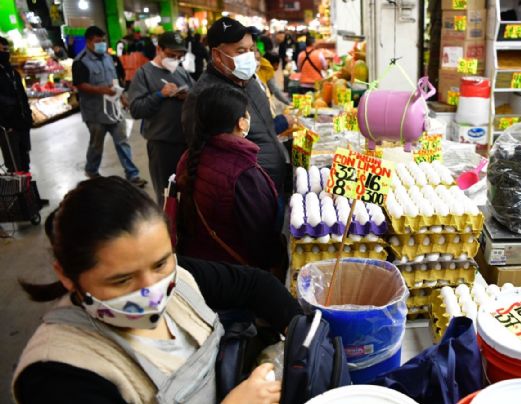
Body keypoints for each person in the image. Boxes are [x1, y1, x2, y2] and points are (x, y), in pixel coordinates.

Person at [12, 176, 301, 403]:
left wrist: (302, 332)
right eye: (122, 281)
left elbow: (254, 284)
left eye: (161, 263)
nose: (152, 291)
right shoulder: (58, 375)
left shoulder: (178, 275)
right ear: (67, 276)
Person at [176, 85, 286, 278]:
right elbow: (261, 236)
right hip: (234, 272)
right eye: (246, 113)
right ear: (241, 123)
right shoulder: (242, 171)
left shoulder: (190, 156)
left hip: (196, 264)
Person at [182, 17, 293, 198]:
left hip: (273, 183)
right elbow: (205, 157)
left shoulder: (248, 79)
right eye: (241, 51)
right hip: (247, 194)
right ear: (217, 55)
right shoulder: (205, 96)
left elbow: (262, 127)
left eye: (251, 49)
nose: (249, 56)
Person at [72, 26, 147, 186]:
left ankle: (132, 175)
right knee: (96, 145)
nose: (101, 44)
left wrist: (123, 98)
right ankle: (91, 170)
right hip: (95, 113)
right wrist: (100, 90)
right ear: (89, 42)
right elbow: (80, 85)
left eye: (103, 41)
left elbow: (116, 81)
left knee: (122, 141)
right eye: (98, 41)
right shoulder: (80, 61)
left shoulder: (108, 58)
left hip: (114, 110)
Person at [128, 32, 194, 204]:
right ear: (159, 49)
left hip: (186, 141)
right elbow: (135, 109)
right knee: (167, 194)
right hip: (162, 145)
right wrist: (159, 95)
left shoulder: (181, 72)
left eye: (179, 56)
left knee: (188, 190)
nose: (175, 59)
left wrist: (188, 96)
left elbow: (197, 93)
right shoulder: (144, 74)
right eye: (171, 55)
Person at [0, 36, 33, 173]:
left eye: (6, 49)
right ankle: (17, 193)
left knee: (25, 161)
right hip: (8, 128)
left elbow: (22, 97)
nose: (5, 52)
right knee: (14, 165)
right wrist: (5, 124)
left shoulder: (13, 72)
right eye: (1, 50)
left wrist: (28, 116)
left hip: (22, 123)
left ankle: (27, 191)